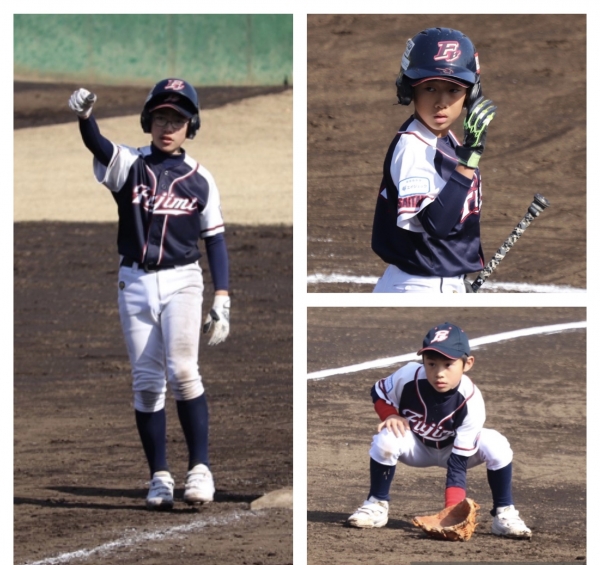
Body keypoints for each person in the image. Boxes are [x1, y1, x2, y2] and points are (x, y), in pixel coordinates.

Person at [68, 78, 230, 510]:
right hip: (134, 282)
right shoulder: (130, 165)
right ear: (148, 121)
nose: (167, 126)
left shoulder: (200, 178)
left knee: (183, 371)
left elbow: (214, 239)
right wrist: (85, 117)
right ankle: (159, 476)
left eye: (177, 119)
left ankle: (200, 469)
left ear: (191, 125)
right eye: (160, 117)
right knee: (145, 382)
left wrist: (222, 297)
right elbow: (98, 144)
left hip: (183, 281)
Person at [347, 322, 532, 539]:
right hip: (416, 447)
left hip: (454, 452)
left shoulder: (471, 400)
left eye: (448, 364)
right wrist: (390, 415)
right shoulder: (408, 376)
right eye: (432, 364)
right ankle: (376, 504)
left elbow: (458, 463)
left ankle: (504, 513)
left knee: (496, 443)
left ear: (467, 364)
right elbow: (379, 392)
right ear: (423, 361)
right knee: (387, 436)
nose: (439, 373)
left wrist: (453, 511)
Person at [371, 27, 497, 293]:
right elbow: (436, 224)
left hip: (432, 282)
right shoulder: (414, 147)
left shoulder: (445, 139)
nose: (441, 102)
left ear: (471, 94)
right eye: (429, 88)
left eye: (453, 90)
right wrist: (468, 161)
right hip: (419, 286)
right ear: (409, 90)